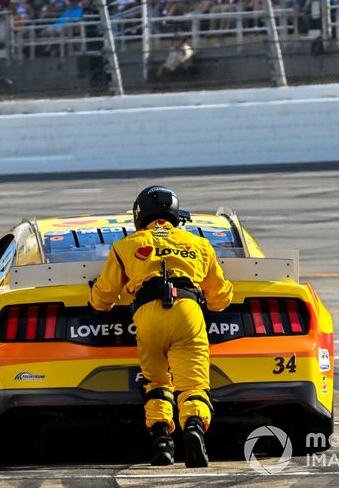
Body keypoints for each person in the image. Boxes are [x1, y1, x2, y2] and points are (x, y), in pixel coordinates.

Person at [89, 186, 233, 468]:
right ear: (176, 215)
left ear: (140, 215)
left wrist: (96, 303)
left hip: (147, 314)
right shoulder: (199, 245)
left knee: (156, 382)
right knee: (192, 384)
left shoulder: (126, 245)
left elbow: (104, 295)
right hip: (187, 311)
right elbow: (219, 299)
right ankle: (193, 426)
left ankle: (162, 440)